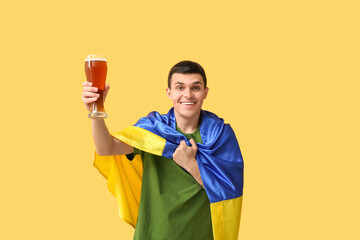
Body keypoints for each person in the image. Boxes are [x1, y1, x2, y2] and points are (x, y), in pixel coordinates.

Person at [81, 61, 244, 240]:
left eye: (195, 87)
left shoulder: (220, 135)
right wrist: (96, 113)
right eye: (180, 87)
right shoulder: (153, 129)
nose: (187, 94)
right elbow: (106, 148)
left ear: (205, 92)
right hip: (153, 234)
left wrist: (192, 165)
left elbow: (228, 193)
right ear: (169, 92)